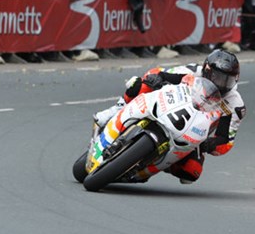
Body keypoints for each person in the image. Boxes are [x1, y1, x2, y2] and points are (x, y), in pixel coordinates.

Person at [93, 50, 246, 184]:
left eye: (228, 80)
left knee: (191, 172)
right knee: (140, 85)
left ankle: (152, 165)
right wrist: (156, 79)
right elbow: (159, 73)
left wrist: (209, 145)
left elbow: (225, 140)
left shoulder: (235, 105)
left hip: (195, 133)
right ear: (206, 69)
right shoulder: (192, 71)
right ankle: (115, 110)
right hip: (170, 106)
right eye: (218, 77)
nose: (222, 83)